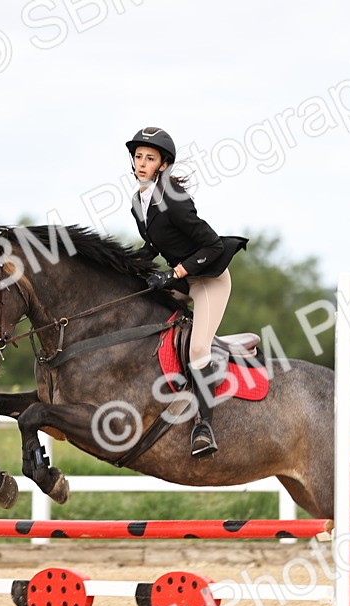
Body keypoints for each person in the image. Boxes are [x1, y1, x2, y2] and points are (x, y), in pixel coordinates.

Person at [126, 126, 247, 458]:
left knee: (197, 351)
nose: (141, 163)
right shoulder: (139, 201)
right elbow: (153, 245)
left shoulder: (175, 199)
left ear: (163, 165)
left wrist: (174, 273)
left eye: (149, 158)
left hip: (209, 278)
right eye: (138, 157)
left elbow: (211, 244)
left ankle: (204, 427)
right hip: (182, 280)